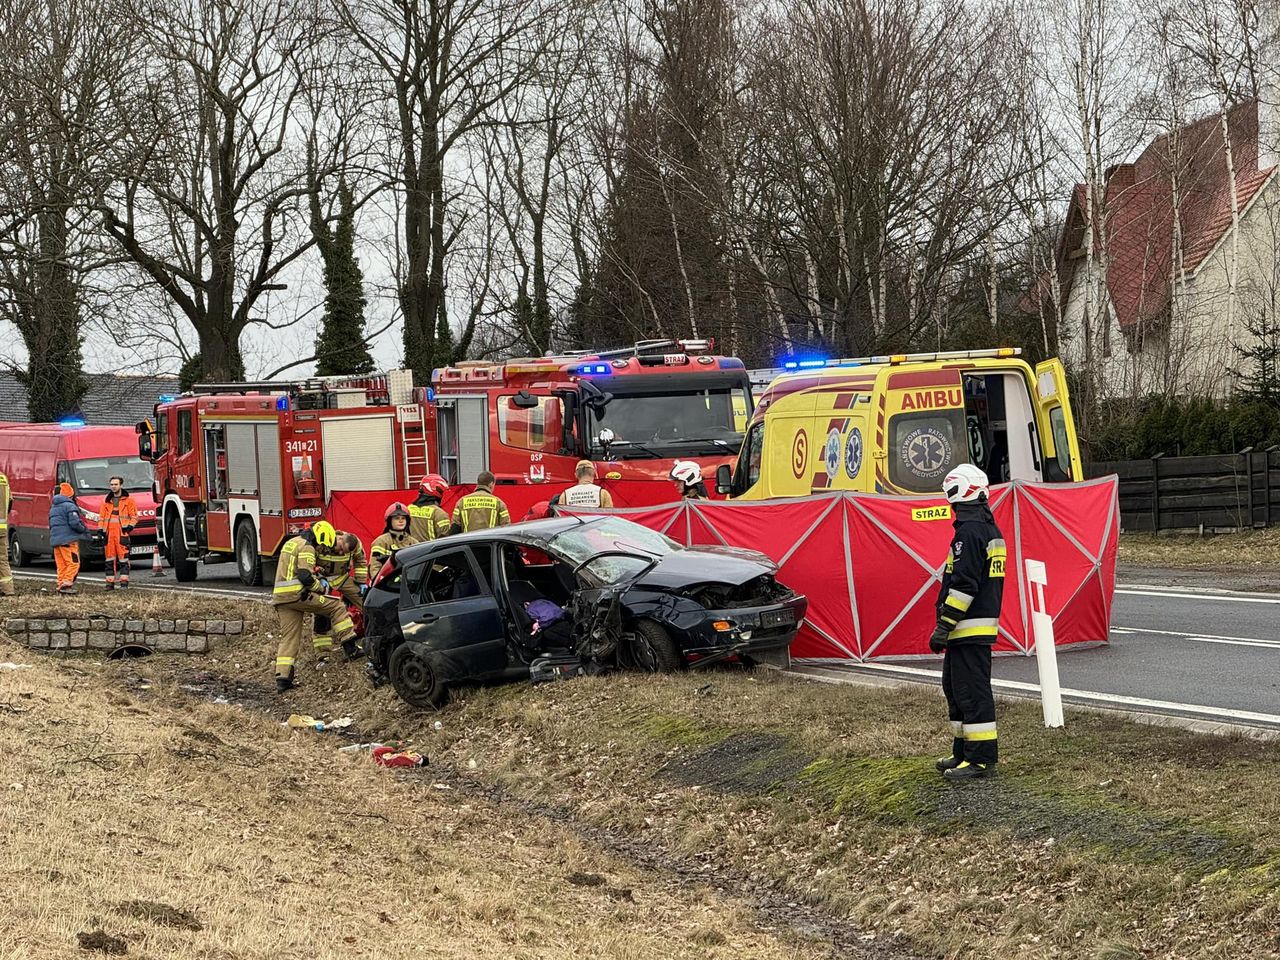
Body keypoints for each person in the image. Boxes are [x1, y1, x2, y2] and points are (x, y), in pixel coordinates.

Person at [930, 464, 1004, 781]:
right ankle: (963, 752)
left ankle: (980, 759)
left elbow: (964, 585)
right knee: (956, 689)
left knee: (971, 692)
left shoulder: (969, 533)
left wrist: (944, 625)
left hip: (967, 628)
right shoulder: (986, 529)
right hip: (970, 629)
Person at [272, 520, 357, 692]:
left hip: (282, 599)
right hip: (299, 595)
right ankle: (350, 646)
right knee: (336, 606)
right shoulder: (307, 547)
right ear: (321, 538)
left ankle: (283, 679)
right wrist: (321, 587)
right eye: (322, 546)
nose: (321, 550)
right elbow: (305, 576)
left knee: (289, 638)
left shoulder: (291, 543)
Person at [312, 531, 368, 661]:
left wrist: (361, 582)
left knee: (366, 601)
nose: (342, 553)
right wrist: (319, 578)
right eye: (341, 549)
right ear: (339, 539)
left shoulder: (356, 544)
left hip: (342, 578)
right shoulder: (323, 541)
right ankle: (323, 653)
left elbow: (360, 561)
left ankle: (376, 636)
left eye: (346, 552)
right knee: (322, 613)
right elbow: (309, 563)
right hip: (323, 581)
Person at [98, 475, 138, 590]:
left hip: (122, 533)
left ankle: (124, 583)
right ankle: (109, 583)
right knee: (109, 560)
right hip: (109, 534)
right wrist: (101, 530)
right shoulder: (106, 502)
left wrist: (130, 527)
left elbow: (134, 516)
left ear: (121, 485)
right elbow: (102, 518)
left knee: (123, 559)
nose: (113, 487)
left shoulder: (129, 500)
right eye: (112, 485)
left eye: (116, 484)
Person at [49, 483, 88, 595]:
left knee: (61, 564)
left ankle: (60, 584)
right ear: (70, 494)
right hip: (68, 541)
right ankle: (66, 585)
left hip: (56, 541)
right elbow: (75, 523)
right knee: (73, 563)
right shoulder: (70, 506)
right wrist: (83, 529)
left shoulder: (54, 507)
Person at [371, 502, 419, 567]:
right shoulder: (381, 542)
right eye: (397, 518)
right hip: (388, 576)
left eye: (403, 518)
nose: (401, 521)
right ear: (390, 521)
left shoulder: (414, 542)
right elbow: (374, 566)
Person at [409, 474, 452, 542]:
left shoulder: (408, 509)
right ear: (438, 490)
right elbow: (446, 541)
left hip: (409, 551)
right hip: (431, 552)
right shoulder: (440, 514)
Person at [0, 467, 13, 598]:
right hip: (2, 527)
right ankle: (8, 589)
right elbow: (10, 501)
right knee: (3, 560)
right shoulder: (3, 479)